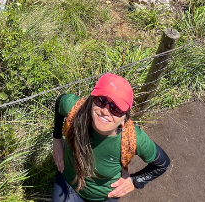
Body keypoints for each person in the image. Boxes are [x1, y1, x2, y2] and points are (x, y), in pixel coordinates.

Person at [52, 73, 170, 202]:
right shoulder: (76, 111)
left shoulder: (133, 139)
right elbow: (60, 101)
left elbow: (163, 163)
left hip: (104, 197)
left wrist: (134, 181)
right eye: (101, 101)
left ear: (125, 118)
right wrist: (57, 138)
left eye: (116, 108)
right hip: (68, 184)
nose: (105, 111)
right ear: (91, 101)